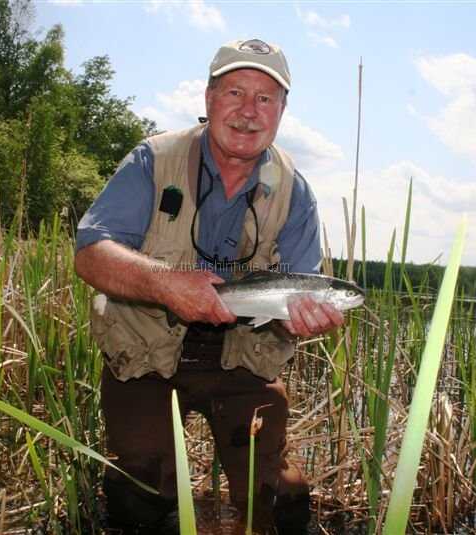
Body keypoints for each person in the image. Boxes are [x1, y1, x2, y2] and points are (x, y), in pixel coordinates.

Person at [75, 38, 344, 535]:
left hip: (240, 360)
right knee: (140, 497)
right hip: (146, 353)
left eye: (266, 98)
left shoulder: (295, 191)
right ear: (207, 98)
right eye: (235, 92)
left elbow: (298, 292)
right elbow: (92, 253)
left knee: (284, 503)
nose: (248, 112)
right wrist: (166, 284)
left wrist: (305, 319)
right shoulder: (152, 160)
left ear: (282, 110)